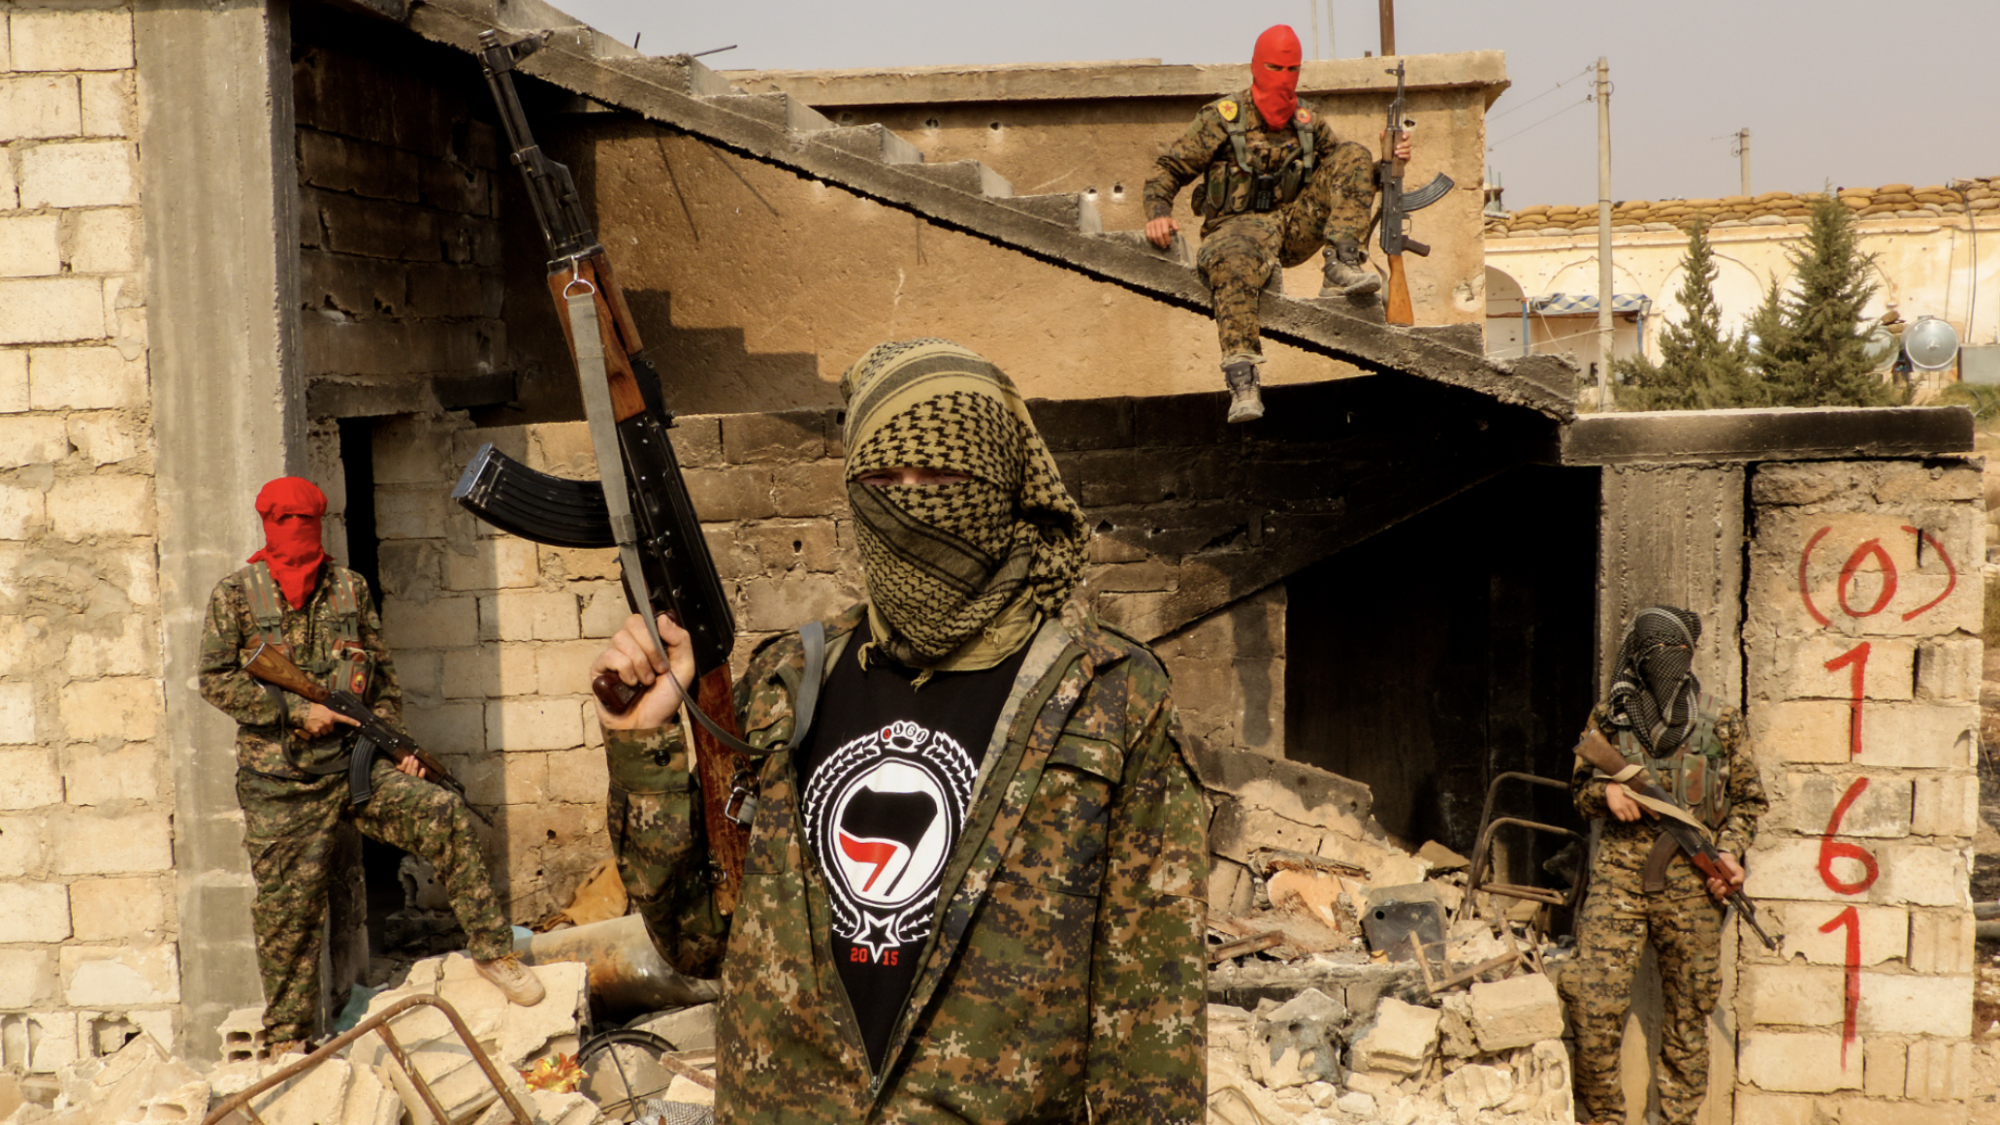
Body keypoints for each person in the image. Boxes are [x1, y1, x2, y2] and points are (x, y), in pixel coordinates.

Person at [591, 339, 1208, 1122]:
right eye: (882, 478)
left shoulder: (1109, 697)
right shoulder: (787, 684)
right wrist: (642, 741)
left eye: (945, 477)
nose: (911, 499)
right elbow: (698, 937)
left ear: (1003, 484)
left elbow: (1152, 1020)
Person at [198, 477, 543, 1054]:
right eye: (284, 524)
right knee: (288, 913)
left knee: (442, 812)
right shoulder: (236, 595)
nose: (296, 535)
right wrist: (289, 711)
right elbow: (214, 678)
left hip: (354, 769)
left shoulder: (350, 591)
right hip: (281, 786)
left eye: (305, 523)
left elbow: (381, 681)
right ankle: (286, 1039)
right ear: (267, 525)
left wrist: (394, 746)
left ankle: (491, 949)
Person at [1559, 606, 1768, 1125]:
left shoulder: (1719, 721)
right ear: (1639, 657)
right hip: (1618, 881)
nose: (1669, 665)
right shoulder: (1610, 718)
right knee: (1592, 1002)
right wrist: (1605, 792)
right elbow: (1578, 789)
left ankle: (1677, 1118)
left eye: (1678, 654)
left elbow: (1749, 802)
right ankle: (1604, 1116)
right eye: (1658, 655)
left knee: (1690, 1011)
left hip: (1694, 885)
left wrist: (1731, 851)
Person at [1143, 23, 1412, 424]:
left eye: (1292, 70)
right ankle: (1243, 377)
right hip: (1234, 230)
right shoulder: (1222, 117)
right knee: (1232, 260)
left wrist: (1389, 166)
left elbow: (1344, 178)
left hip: (1291, 229)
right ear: (1256, 68)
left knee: (1353, 153)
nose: (1284, 79)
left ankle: (1342, 262)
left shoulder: (1307, 123)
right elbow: (1168, 170)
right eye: (1274, 67)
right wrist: (1158, 212)